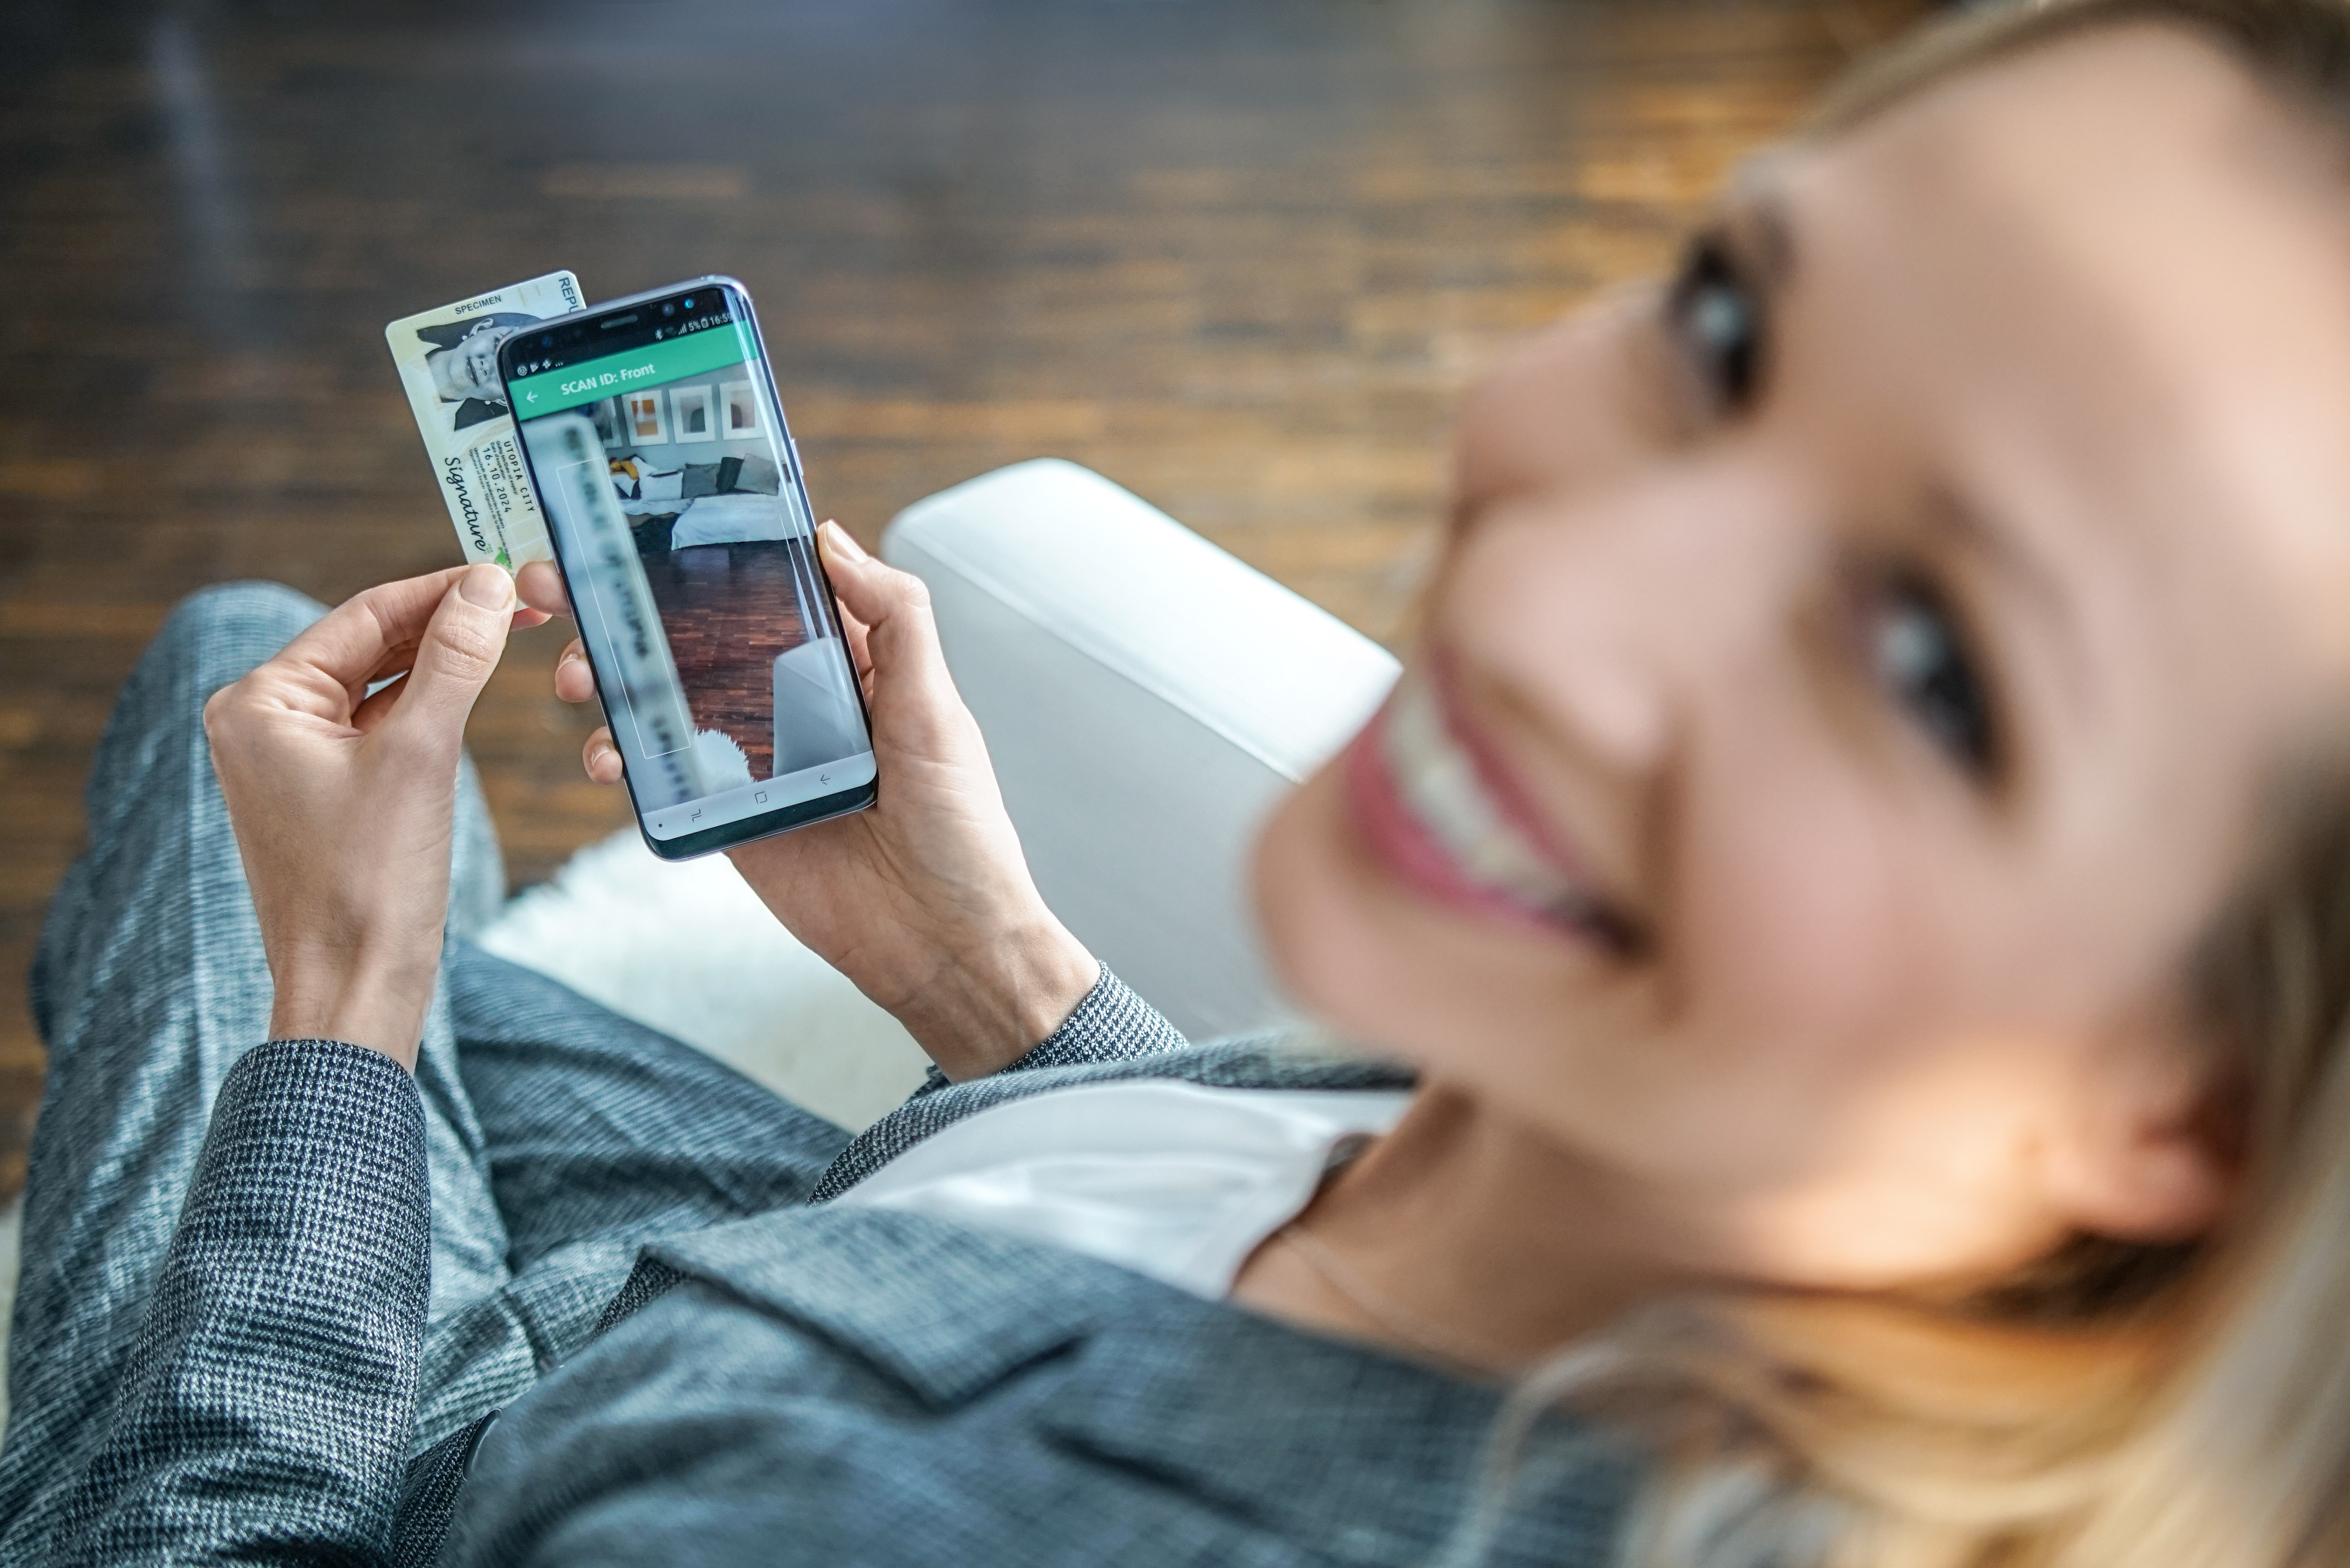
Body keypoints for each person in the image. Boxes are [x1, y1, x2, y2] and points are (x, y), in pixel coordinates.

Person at [9, 1, 2350, 1562]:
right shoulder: (1615, 1147)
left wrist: (346, 1008)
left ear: (2190, 1099)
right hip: (810, 1243)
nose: (1554, 587)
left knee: (234, 689)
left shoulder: (866, 1519)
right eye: (1728, 326)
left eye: (1932, 667)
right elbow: (1229, 1205)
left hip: (512, 1456)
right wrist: (983, 967)